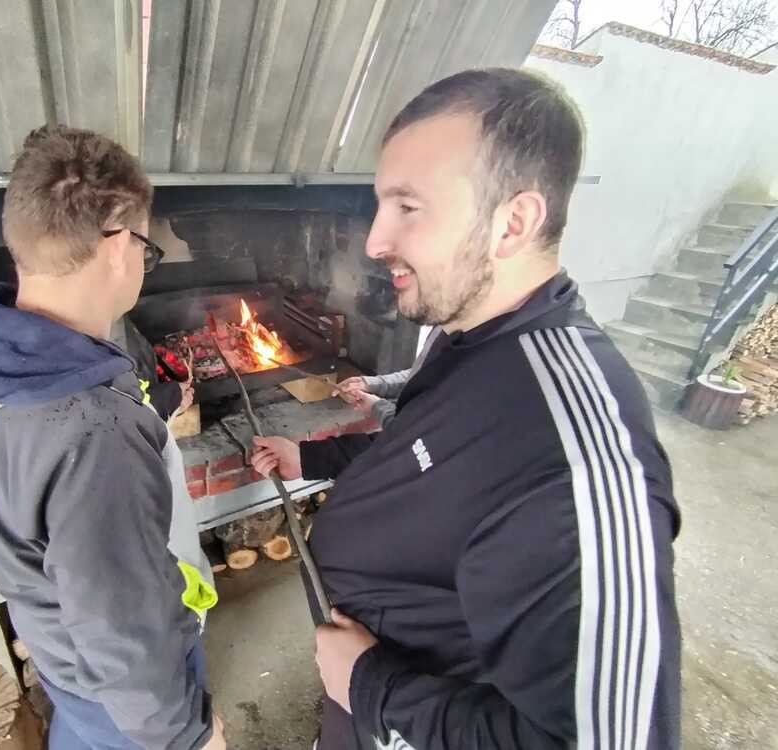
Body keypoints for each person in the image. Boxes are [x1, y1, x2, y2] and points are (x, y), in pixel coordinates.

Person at [251, 68, 681, 750]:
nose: (374, 242)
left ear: (513, 223)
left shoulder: (578, 456)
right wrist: (311, 456)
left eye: (408, 207)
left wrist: (372, 687)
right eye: (380, 205)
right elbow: (424, 458)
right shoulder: (468, 340)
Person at [0, 126, 225, 750]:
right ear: (119, 245)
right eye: (148, 251)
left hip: (62, 657)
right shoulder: (94, 431)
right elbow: (125, 632)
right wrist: (188, 737)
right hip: (129, 708)